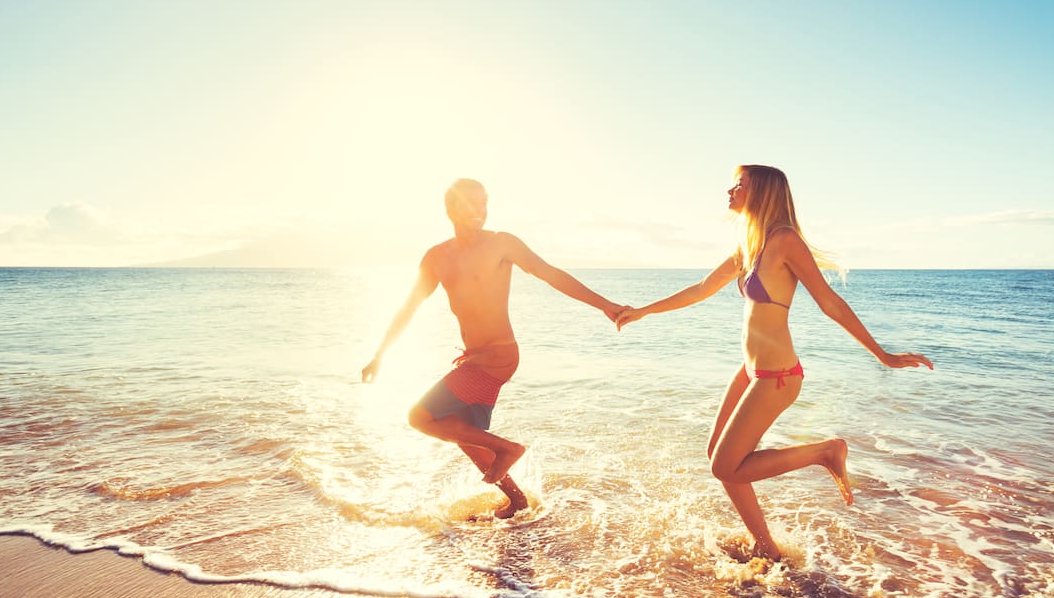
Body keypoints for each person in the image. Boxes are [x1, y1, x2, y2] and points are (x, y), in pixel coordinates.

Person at [615, 164, 932, 560]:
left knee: (725, 466)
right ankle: (766, 546)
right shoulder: (751, 244)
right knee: (719, 456)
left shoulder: (784, 240)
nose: (730, 190)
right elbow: (700, 289)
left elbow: (829, 303)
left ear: (762, 192)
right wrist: (643, 311)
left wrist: (882, 354)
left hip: (777, 375)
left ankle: (824, 452)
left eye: (740, 184)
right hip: (749, 370)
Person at [363, 178, 624, 519]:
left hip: (498, 356)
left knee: (419, 417)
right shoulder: (437, 257)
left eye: (482, 203)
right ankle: (517, 501)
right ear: (450, 210)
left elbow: (551, 274)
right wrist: (380, 354)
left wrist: (605, 305)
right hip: (475, 358)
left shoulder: (502, 244)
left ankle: (508, 449)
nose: (478, 210)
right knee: (464, 433)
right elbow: (409, 307)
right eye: (469, 203)